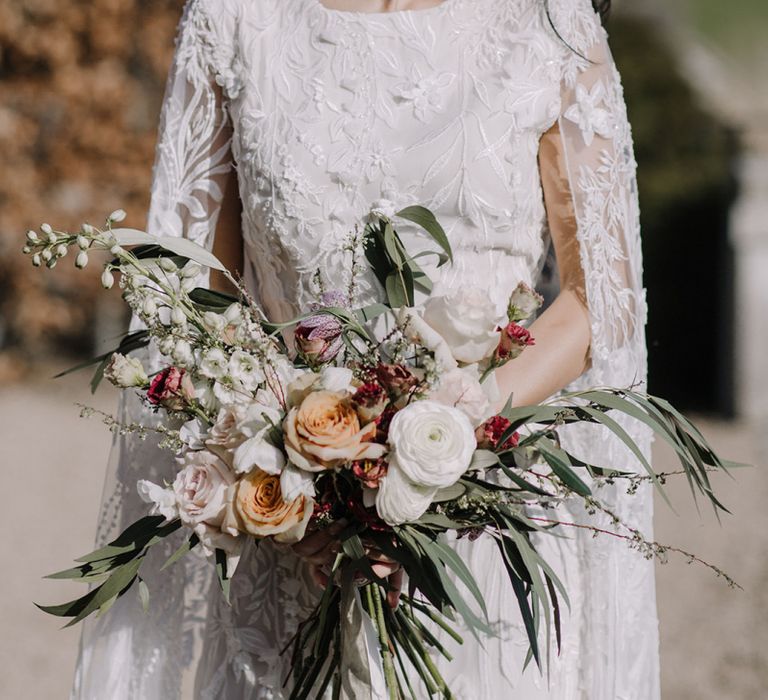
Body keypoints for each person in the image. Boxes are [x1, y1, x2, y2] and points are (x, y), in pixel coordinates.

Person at [72, 0, 659, 697]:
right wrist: (304, 476)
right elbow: (198, 300)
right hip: (296, 538)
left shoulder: (548, 23)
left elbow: (600, 300)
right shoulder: (233, 22)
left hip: (481, 531)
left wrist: (439, 442)